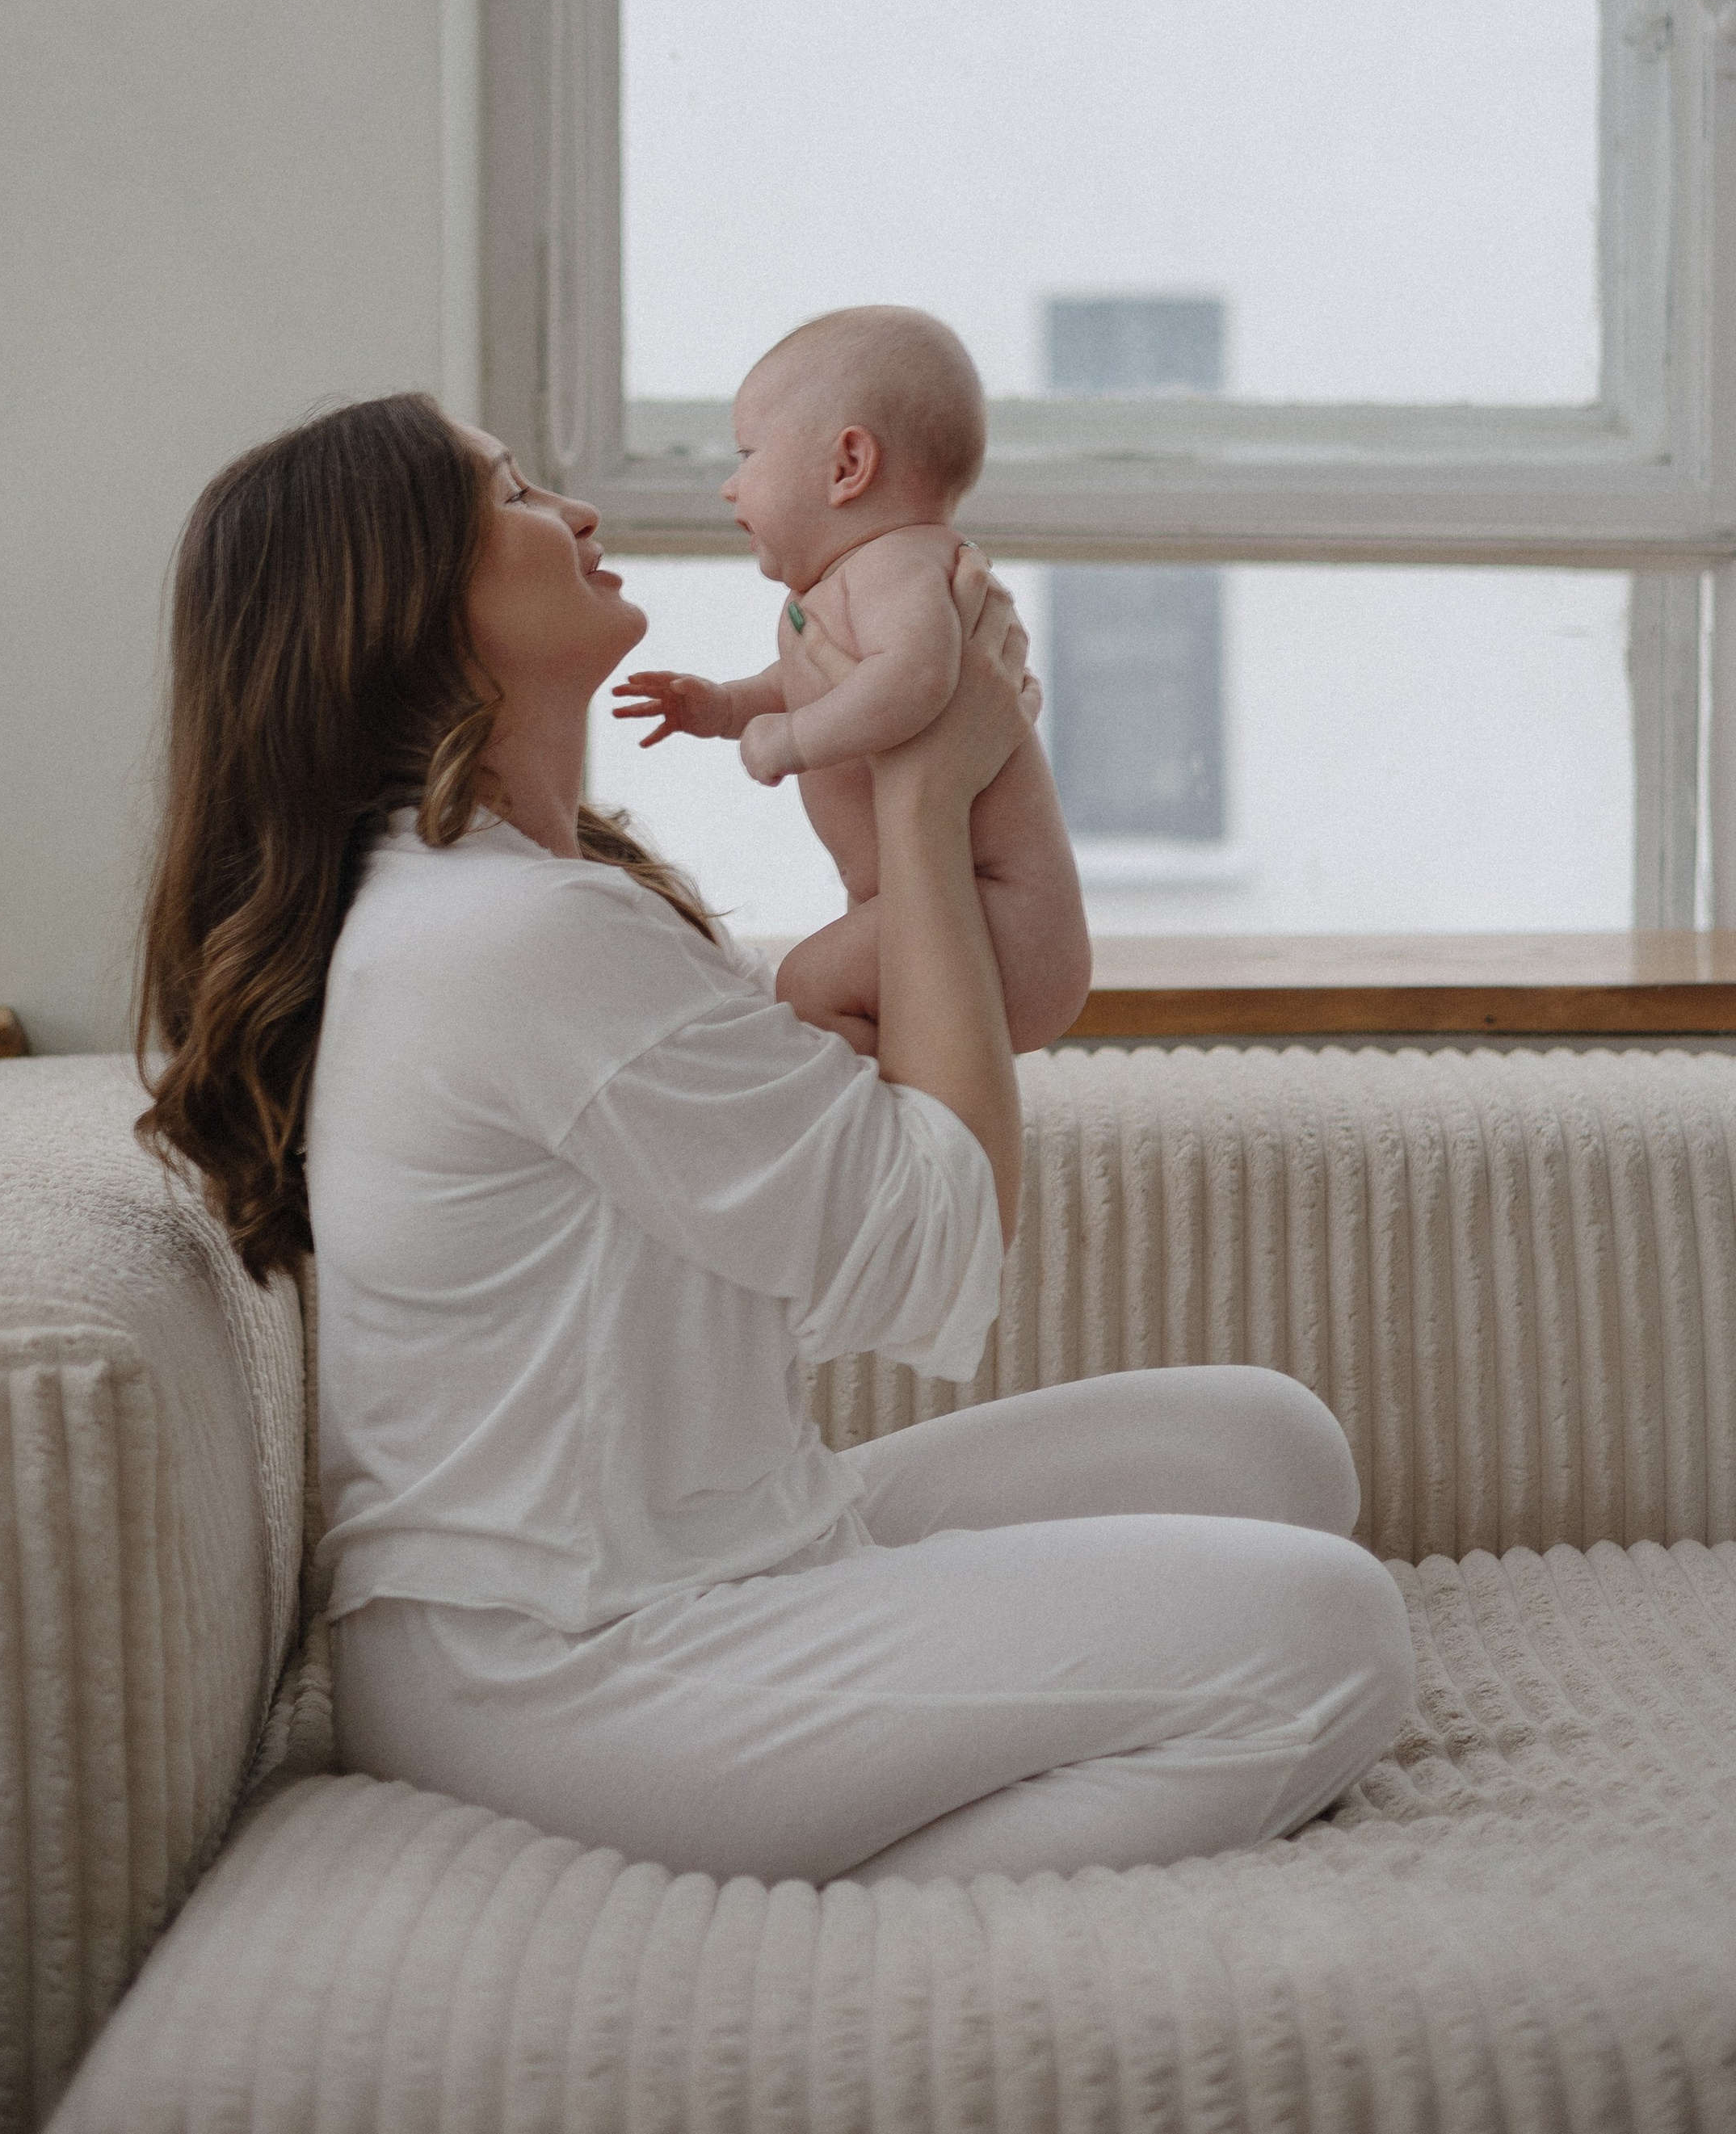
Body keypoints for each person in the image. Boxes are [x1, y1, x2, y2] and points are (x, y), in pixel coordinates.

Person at [136, 393, 1416, 1887]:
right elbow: (939, 1228)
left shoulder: (521, 901)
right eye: (518, 493)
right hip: (571, 1672)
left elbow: (979, 1006)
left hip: (732, 1545)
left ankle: (881, 1775)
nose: (579, 513)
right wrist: (928, 797)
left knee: (1274, 1448)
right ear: (405, 601)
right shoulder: (503, 934)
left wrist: (951, 750)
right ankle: (840, 1911)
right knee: (1333, 1634)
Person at [614, 304, 1081, 1052]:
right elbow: (823, 683)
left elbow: (915, 680)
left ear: (846, 467)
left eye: (747, 454)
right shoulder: (844, 587)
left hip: (1000, 913)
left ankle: (891, 1138)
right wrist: (728, 705)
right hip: (950, 904)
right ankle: (909, 1117)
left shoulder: (901, 564)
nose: (730, 488)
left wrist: (793, 739)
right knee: (813, 990)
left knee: (805, 986)